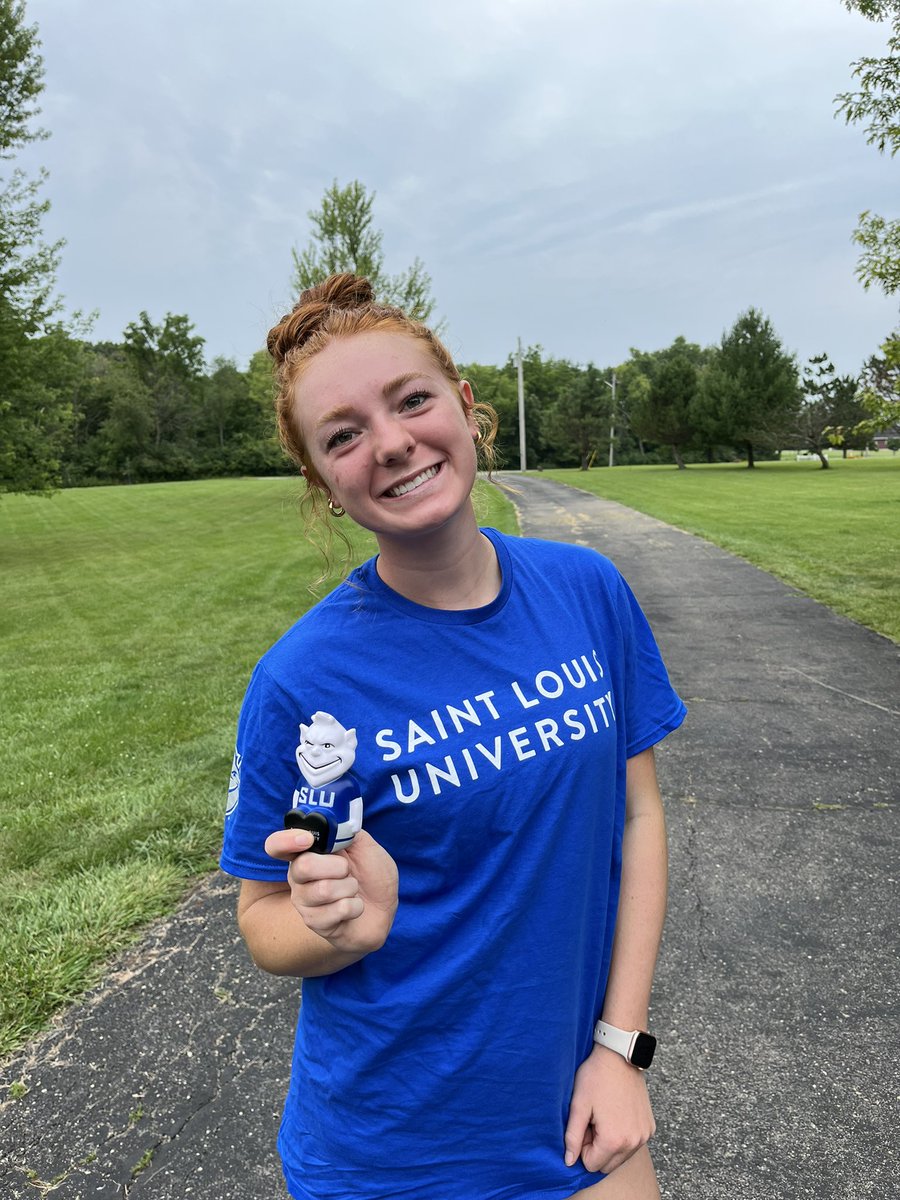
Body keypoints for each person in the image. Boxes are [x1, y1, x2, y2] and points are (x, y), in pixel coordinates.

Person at [220, 273, 686, 1200]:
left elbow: (637, 821)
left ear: (468, 409)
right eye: (343, 436)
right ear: (324, 484)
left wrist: (620, 1049)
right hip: (392, 1151)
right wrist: (342, 923)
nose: (390, 444)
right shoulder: (309, 682)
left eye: (412, 400)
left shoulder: (587, 592)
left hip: (578, 1117)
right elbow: (265, 920)